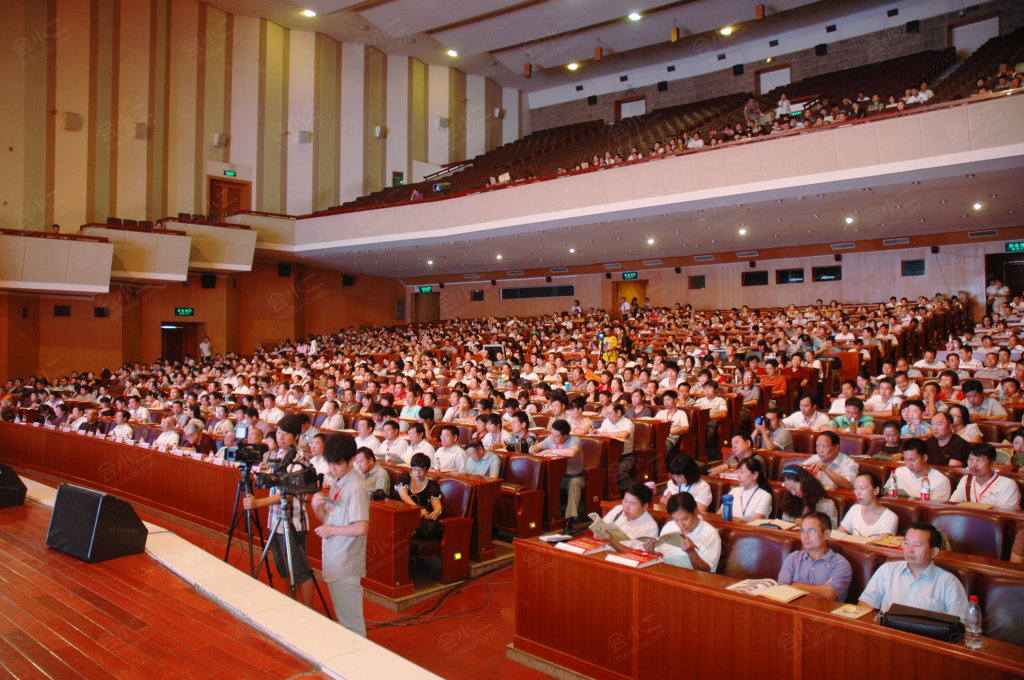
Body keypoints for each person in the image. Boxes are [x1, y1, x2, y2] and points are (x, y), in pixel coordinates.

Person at [243, 415, 315, 607]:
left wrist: (258, 503)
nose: (281, 437)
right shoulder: (275, 455)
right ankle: (292, 606)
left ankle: (309, 612)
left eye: (286, 434)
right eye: (279, 433)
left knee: (299, 571)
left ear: (297, 436)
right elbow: (270, 482)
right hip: (275, 520)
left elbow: (287, 493)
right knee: (284, 569)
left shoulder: (299, 460)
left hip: (293, 523)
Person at [310, 433, 369, 637]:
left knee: (351, 623)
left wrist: (331, 530)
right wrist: (317, 508)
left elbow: (361, 527)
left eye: (338, 463)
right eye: (330, 462)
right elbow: (328, 521)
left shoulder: (357, 486)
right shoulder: (338, 480)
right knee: (343, 618)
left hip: (346, 560)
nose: (333, 468)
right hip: (334, 557)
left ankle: (357, 663)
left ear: (352, 459)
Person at [858, 522, 969, 619]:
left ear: (934, 552)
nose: (910, 550)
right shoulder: (887, 570)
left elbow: (961, 624)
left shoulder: (949, 583)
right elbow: (865, 604)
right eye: (906, 543)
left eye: (917, 545)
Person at [777, 513, 852, 602]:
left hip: (823, 613)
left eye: (811, 531)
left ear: (826, 534)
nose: (805, 536)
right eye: (802, 531)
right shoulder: (793, 558)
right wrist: (820, 590)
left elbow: (829, 594)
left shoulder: (840, 564)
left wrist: (794, 585)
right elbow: (781, 590)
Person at [644, 492, 721, 572]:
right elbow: (661, 555)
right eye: (676, 520)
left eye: (685, 519)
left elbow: (707, 572)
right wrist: (652, 552)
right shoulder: (670, 526)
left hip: (690, 578)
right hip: (665, 572)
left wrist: (691, 552)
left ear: (696, 511)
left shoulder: (710, 533)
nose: (681, 524)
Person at [531, 420, 585, 527]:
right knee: (544, 481)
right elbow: (538, 447)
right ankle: (544, 518)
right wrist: (534, 448)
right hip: (557, 477)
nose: (553, 437)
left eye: (556, 436)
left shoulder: (574, 440)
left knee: (574, 484)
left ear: (565, 436)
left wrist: (550, 451)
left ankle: (570, 521)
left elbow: (572, 452)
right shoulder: (551, 439)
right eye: (552, 434)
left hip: (575, 476)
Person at [949, 443, 1020, 510]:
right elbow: (952, 505)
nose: (974, 465)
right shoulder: (966, 480)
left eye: (979, 460)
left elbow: (1006, 515)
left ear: (992, 464)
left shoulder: (1007, 485)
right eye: (971, 459)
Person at [593, 482, 659, 552]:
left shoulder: (650, 527)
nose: (626, 507)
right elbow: (602, 528)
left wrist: (611, 541)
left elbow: (637, 554)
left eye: (632, 504)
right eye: (625, 501)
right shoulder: (619, 510)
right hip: (603, 552)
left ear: (645, 506)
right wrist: (598, 533)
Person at [835, 472, 899, 538]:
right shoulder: (855, 509)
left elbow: (882, 545)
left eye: (862, 488)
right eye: (855, 488)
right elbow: (838, 536)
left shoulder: (890, 517)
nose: (858, 493)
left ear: (876, 490)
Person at [395, 453, 444, 538]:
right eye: (414, 469)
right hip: (398, 513)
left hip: (414, 519)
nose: (417, 473)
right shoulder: (405, 478)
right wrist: (418, 509)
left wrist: (437, 512)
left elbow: (438, 506)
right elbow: (404, 496)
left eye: (421, 470)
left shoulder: (431, 485)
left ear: (427, 471)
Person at [592, 402, 636, 493]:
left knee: (620, 471)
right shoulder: (607, 422)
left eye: (610, 413)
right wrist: (594, 431)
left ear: (618, 413)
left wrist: (606, 433)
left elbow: (624, 434)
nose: (608, 416)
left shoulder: (628, 423)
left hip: (626, 457)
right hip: (609, 455)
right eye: (607, 414)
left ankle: (631, 493)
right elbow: (600, 431)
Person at [719, 457, 773, 522]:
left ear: (755, 475)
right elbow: (719, 515)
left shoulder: (765, 496)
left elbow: (755, 523)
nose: (738, 476)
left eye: (742, 472)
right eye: (738, 472)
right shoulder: (734, 491)